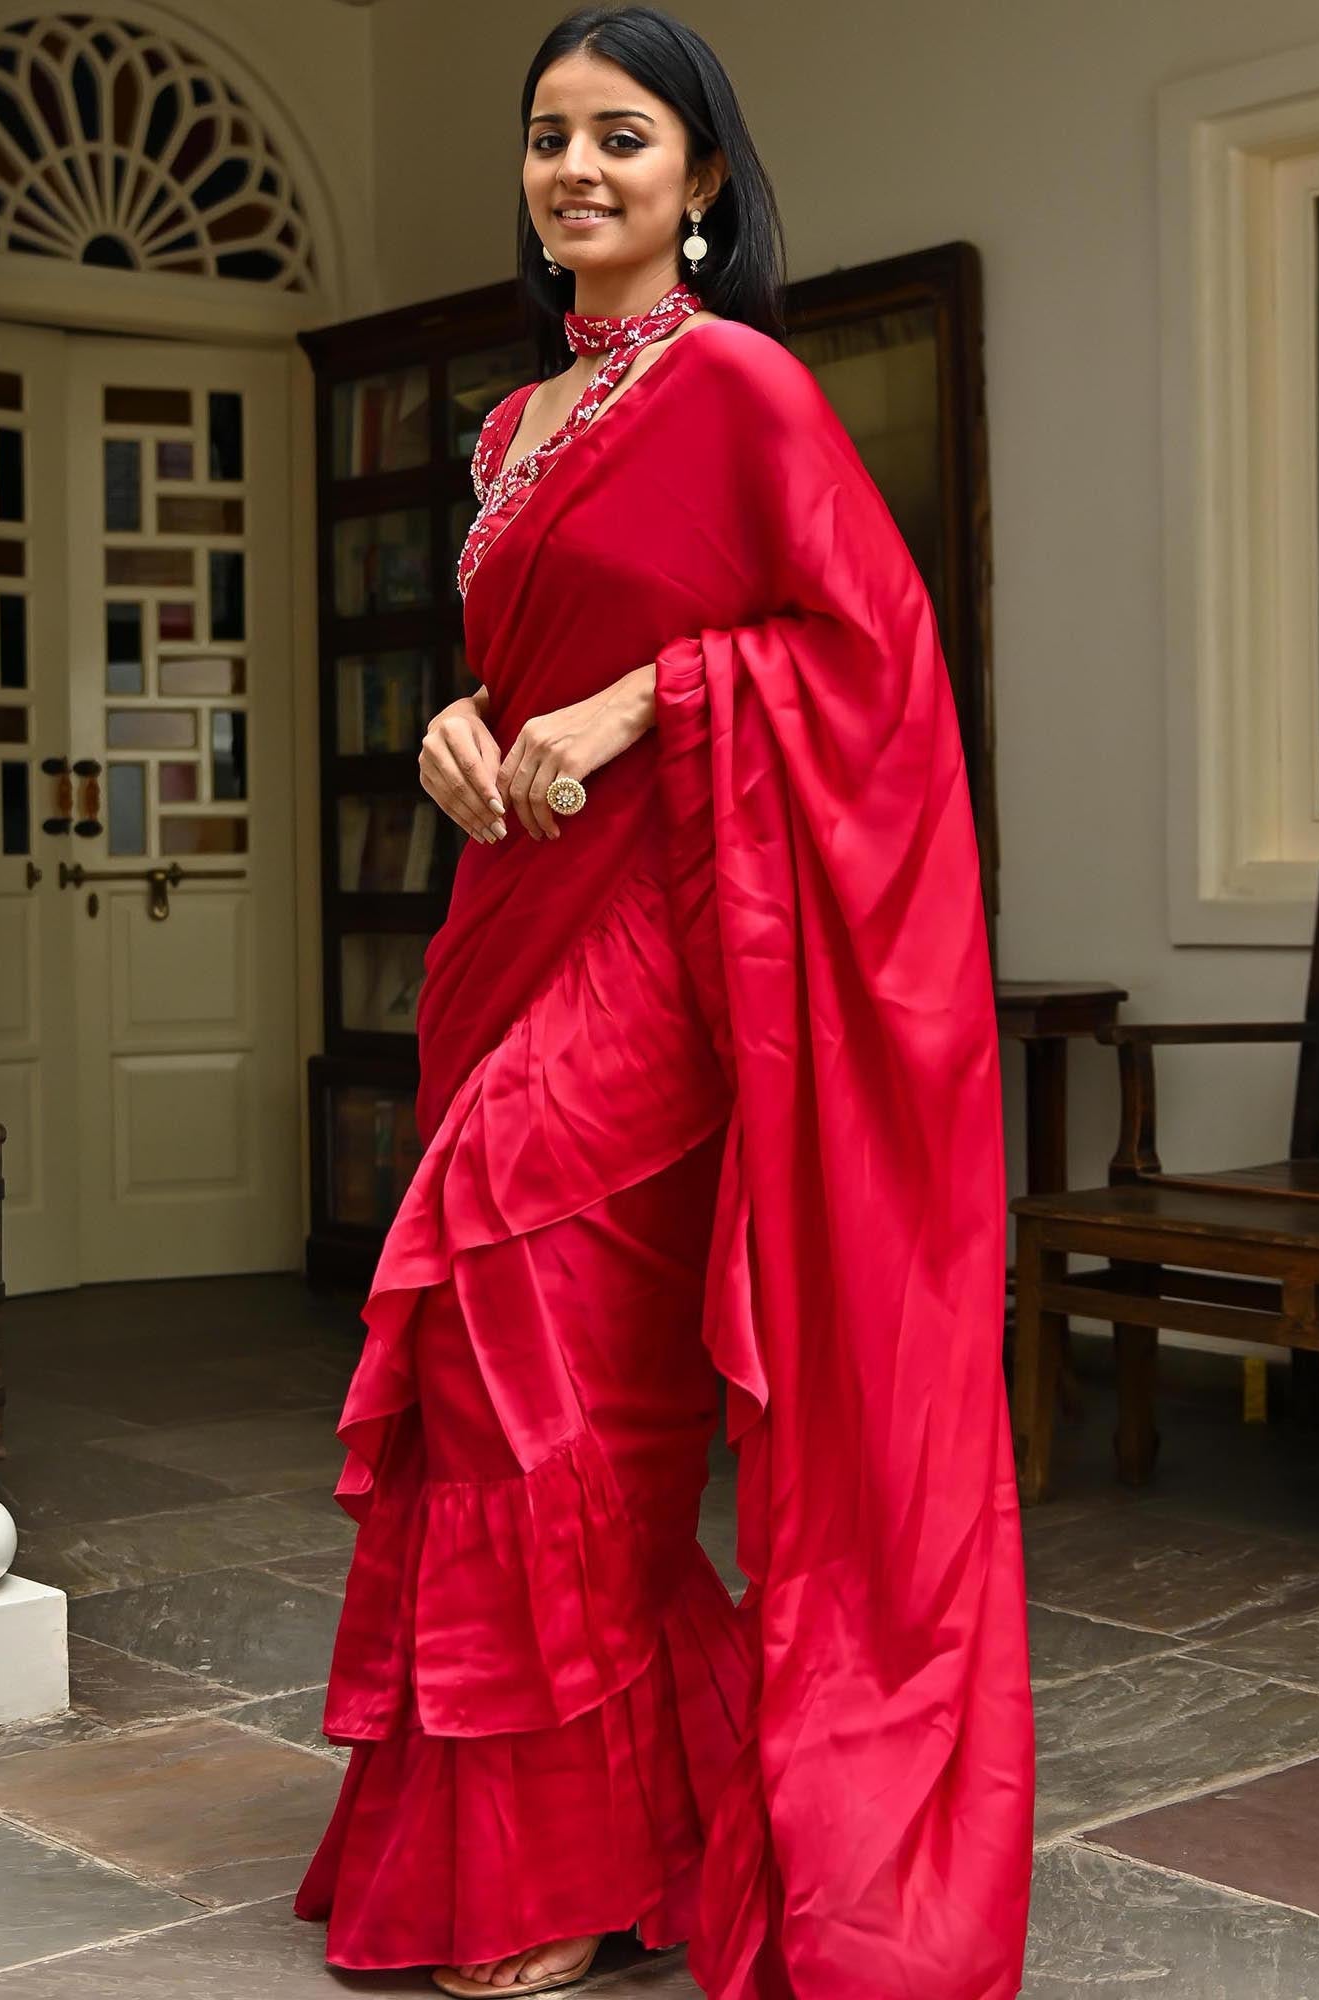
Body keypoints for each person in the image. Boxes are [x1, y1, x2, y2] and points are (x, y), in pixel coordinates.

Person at [293, 7, 1036, 1997]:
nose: (577, 171)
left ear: (701, 179)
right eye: (549, 138)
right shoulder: (507, 430)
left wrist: (649, 699)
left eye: (623, 135)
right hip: (511, 931)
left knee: (537, 1357)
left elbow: (871, 666)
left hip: (670, 955)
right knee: (502, 1381)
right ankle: (631, 1823)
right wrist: (459, 724)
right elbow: (517, 669)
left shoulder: (747, 393)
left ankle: (556, 1866)